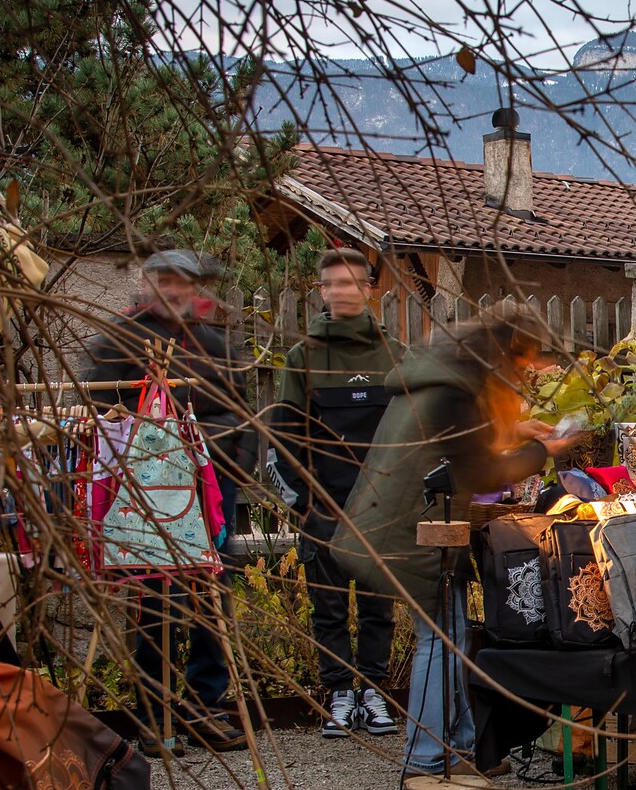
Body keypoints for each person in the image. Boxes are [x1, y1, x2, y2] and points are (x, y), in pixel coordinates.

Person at [334, 304, 581, 784]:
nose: (527, 372)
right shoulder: (453, 392)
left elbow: (460, 439)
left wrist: (515, 431)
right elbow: (479, 469)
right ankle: (427, 756)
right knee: (440, 638)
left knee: (450, 634)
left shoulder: (447, 377)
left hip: (404, 524)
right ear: (506, 353)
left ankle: (464, 749)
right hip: (410, 530)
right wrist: (541, 452)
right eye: (526, 362)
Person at [86, 247, 250, 754]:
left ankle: (206, 706)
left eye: (183, 282)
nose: (174, 291)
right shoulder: (117, 340)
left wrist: (200, 448)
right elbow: (101, 413)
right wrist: (161, 442)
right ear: (149, 281)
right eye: (165, 280)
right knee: (157, 607)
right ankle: (154, 715)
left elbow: (241, 418)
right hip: (147, 498)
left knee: (210, 607)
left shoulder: (214, 344)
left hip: (209, 496)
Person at [272, 248, 407, 738]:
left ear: (370, 290)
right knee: (328, 608)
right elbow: (285, 437)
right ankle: (339, 695)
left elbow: (416, 432)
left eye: (352, 283)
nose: (343, 291)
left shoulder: (396, 356)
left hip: (381, 509)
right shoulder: (303, 356)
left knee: (378, 607)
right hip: (324, 506)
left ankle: (373, 693)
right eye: (333, 284)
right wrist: (305, 504)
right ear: (322, 292)